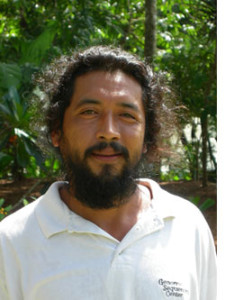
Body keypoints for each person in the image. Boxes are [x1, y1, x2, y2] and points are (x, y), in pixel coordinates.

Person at [0, 46, 216, 300]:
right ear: (57, 130)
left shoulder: (186, 225)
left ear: (148, 136)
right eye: (89, 112)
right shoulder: (12, 243)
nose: (109, 131)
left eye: (127, 115)